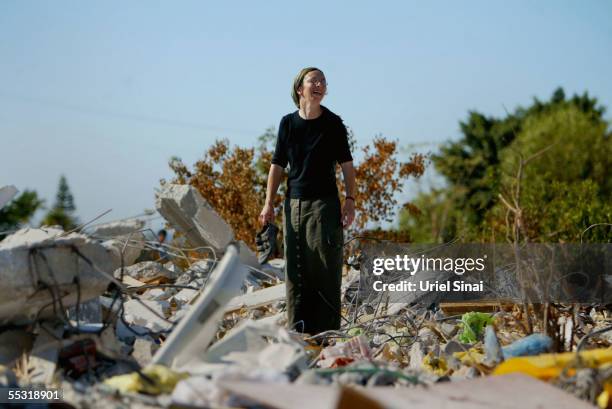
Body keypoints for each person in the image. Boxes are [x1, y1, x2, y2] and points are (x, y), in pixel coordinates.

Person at [259, 67, 356, 334]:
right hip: (294, 205)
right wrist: (269, 203)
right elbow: (277, 165)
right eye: (314, 80)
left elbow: (346, 164)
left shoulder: (333, 123)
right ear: (300, 89)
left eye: (323, 81)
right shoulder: (287, 124)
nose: (320, 84)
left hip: (325, 204)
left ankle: (327, 334)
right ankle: (298, 331)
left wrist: (350, 199)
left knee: (326, 266)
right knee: (297, 268)